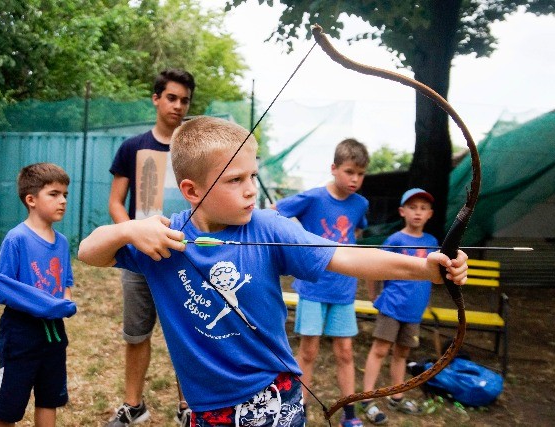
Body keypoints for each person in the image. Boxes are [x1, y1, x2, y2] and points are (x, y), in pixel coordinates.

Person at [77, 116, 469, 427]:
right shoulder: (163, 238)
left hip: (272, 395)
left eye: (252, 175)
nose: (251, 189)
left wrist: (426, 268)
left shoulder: (268, 227)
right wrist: (128, 228)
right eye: (235, 180)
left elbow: (345, 256)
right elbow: (88, 253)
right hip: (205, 407)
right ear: (192, 191)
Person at [107, 68, 195, 427]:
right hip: (140, 261)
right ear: (156, 98)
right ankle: (134, 406)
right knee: (136, 333)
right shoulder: (132, 147)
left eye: (185, 100)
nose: (178, 105)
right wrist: (133, 234)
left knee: (189, 335)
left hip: (186, 258)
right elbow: (116, 202)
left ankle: (188, 407)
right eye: (171, 97)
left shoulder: (194, 150)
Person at [273, 138, 369, 426]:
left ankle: (349, 414)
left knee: (345, 351)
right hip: (313, 287)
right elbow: (276, 211)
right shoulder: (314, 197)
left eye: (361, 174)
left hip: (344, 289)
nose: (355, 179)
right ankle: (298, 411)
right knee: (309, 351)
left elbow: (357, 233)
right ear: (334, 168)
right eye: (350, 171)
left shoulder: (361, 203)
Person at [0, 163, 76, 427]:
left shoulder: (61, 242)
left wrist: (64, 302)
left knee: (49, 400)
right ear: (31, 200)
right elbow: (0, 287)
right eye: (54, 194)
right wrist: (46, 305)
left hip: (54, 337)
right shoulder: (16, 239)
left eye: (65, 195)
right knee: (9, 408)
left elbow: (66, 283)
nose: (62, 201)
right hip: (20, 336)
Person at [358, 188, 437, 425]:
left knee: (402, 353)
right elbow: (375, 268)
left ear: (430, 214)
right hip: (392, 307)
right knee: (380, 350)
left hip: (414, 311)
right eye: (413, 207)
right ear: (402, 211)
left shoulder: (432, 242)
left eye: (423, 208)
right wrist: (374, 296)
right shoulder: (395, 240)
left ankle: (396, 396)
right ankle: (367, 399)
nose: (417, 213)